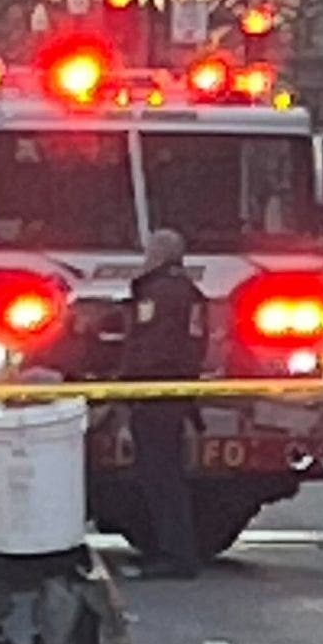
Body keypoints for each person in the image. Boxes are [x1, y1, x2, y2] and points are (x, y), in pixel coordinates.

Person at [120, 228, 207, 578]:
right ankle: (172, 549)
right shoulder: (190, 292)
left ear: (159, 254)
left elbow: (150, 346)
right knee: (167, 474)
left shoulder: (157, 294)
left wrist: (125, 381)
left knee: (159, 476)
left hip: (155, 393)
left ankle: (174, 555)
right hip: (178, 392)